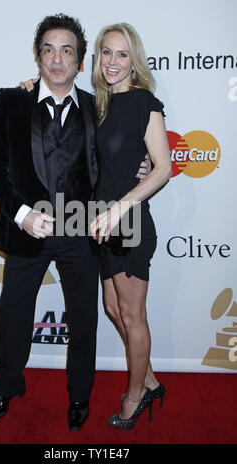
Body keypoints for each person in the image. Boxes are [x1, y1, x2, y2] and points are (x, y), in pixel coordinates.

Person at [0, 13, 101, 431]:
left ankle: (80, 395)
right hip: (27, 229)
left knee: (83, 316)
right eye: (48, 49)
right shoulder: (11, 100)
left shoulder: (97, 108)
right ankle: (5, 388)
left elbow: (113, 161)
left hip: (80, 231)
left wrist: (140, 165)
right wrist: (22, 214)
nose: (56, 58)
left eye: (66, 50)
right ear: (38, 57)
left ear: (80, 63)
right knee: (14, 314)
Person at [89, 23, 172, 429]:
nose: (113, 61)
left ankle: (137, 395)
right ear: (97, 57)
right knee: (112, 308)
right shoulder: (98, 105)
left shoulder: (144, 103)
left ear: (134, 61)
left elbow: (163, 170)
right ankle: (152, 380)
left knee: (132, 315)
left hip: (129, 220)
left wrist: (120, 208)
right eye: (107, 52)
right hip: (102, 223)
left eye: (122, 54)